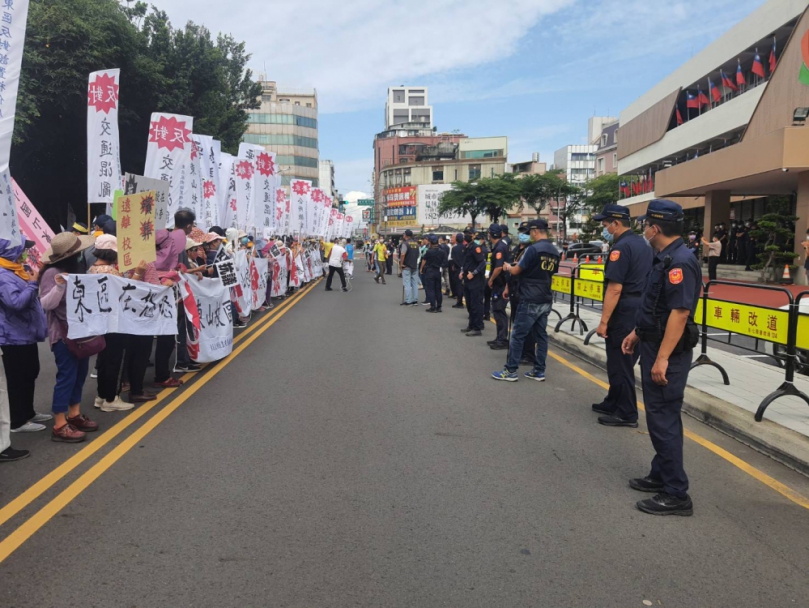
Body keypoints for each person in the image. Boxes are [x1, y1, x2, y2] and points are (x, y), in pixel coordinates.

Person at [621, 199, 700, 517]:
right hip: (654, 342)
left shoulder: (679, 262)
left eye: (645, 225)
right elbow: (657, 306)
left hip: (669, 351)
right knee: (661, 417)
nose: (643, 229)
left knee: (663, 417)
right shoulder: (665, 257)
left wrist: (662, 358)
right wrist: (638, 332)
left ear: (655, 228)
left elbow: (679, 314)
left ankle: (676, 493)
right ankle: (661, 474)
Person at [592, 204, 653, 428]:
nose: (604, 228)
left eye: (605, 224)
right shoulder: (642, 243)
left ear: (616, 223)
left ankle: (627, 412)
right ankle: (614, 401)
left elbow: (615, 288)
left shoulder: (621, 248)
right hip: (638, 306)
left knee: (622, 362)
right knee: (619, 360)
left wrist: (603, 321)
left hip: (625, 308)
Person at [39, 232, 100, 442]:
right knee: (66, 377)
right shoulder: (53, 273)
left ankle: (73, 414)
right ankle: (59, 423)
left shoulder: (76, 270)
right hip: (63, 336)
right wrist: (59, 286)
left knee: (80, 374)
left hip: (80, 333)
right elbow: (46, 304)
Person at [492, 219, 558, 382]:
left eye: (529, 232)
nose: (528, 235)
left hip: (529, 297)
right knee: (541, 336)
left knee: (518, 335)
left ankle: (511, 371)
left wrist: (508, 267)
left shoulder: (533, 249)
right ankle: (539, 370)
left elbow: (517, 270)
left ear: (535, 231)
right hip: (545, 297)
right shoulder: (555, 251)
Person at [0, 235, 49, 437]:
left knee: (31, 372)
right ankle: (18, 419)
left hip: (26, 334)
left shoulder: (17, 270)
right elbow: (16, 303)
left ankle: (28, 412)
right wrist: (33, 284)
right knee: (17, 378)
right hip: (12, 337)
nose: (26, 252)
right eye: (23, 249)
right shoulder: (3, 275)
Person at [87, 235, 135, 413]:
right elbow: (128, 292)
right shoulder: (111, 272)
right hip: (115, 321)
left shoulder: (92, 269)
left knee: (104, 359)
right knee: (115, 359)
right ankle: (111, 398)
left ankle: (101, 396)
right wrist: (137, 274)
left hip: (100, 321)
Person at [154, 209, 196, 388]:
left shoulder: (160, 241)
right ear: (188, 226)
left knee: (146, 339)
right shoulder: (177, 242)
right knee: (167, 336)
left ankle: (128, 381)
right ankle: (161, 375)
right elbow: (179, 269)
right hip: (167, 294)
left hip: (151, 291)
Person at [505, 223, 536, 366]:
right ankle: (519, 350)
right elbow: (511, 269)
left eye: (525, 232)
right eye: (521, 232)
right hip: (513, 288)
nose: (522, 235)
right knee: (517, 322)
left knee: (526, 325)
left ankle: (528, 354)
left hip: (524, 290)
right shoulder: (516, 249)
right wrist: (507, 287)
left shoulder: (531, 250)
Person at [487, 223, 511, 350]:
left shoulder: (500, 247)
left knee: (499, 311)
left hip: (500, 284)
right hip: (499, 283)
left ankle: (502, 339)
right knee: (496, 311)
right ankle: (499, 337)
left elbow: (498, 267)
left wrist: (491, 279)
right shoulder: (499, 246)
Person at [460, 231, 487, 337]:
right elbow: (466, 262)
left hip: (475, 280)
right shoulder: (468, 247)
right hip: (467, 279)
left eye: (469, 234)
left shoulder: (476, 248)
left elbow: (482, 263)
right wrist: (462, 272)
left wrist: (474, 273)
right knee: (470, 304)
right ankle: (471, 325)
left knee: (476, 304)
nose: (467, 236)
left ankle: (477, 327)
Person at [420, 234, 446, 312]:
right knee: (438, 289)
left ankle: (433, 306)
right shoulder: (442, 251)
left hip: (430, 270)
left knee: (431, 289)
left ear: (430, 242)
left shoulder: (429, 251)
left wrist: (421, 268)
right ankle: (439, 306)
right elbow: (444, 262)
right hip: (438, 271)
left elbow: (424, 260)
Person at [398, 230, 420, 306]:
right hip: (414, 265)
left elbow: (403, 254)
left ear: (406, 235)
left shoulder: (405, 244)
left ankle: (408, 300)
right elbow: (418, 255)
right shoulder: (416, 244)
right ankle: (415, 300)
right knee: (414, 283)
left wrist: (401, 264)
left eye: (404, 234)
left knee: (407, 283)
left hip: (407, 266)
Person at [449, 233, 465, 309]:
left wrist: (455, 266)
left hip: (457, 269)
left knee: (458, 286)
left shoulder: (454, 248)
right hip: (465, 268)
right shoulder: (466, 247)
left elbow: (453, 259)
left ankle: (459, 302)